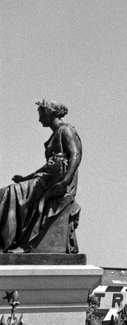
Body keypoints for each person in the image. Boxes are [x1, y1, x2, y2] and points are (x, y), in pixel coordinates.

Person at [0, 100, 82, 254]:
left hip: (55, 183)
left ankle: (11, 241)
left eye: (41, 114)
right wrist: (25, 178)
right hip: (47, 180)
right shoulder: (57, 133)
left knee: (11, 194)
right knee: (7, 193)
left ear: (50, 113)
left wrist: (65, 181)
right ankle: (9, 239)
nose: (39, 119)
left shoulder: (66, 130)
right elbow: (47, 168)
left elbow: (75, 155)